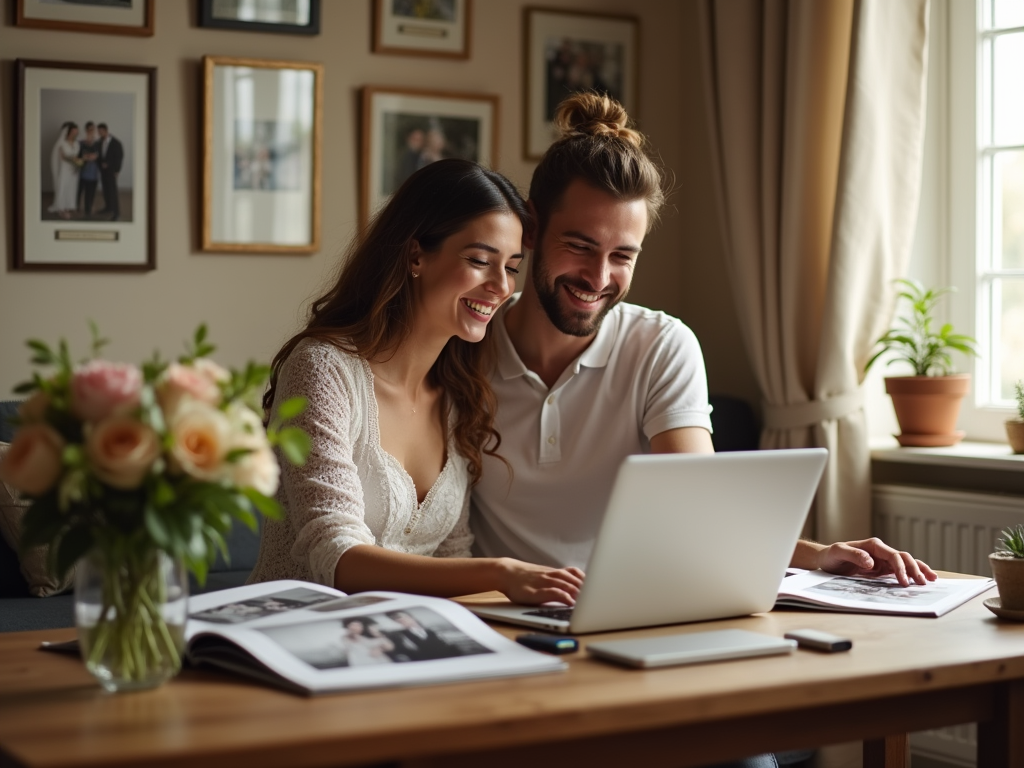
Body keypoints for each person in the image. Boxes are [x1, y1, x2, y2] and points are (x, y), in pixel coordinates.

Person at [470, 92, 936, 768]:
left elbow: (699, 513)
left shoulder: (660, 345)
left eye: (623, 255)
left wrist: (816, 552)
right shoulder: (465, 349)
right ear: (531, 229)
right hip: (517, 637)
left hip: (648, 628)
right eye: (580, 247)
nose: (599, 279)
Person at [247, 158, 584, 606]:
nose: (501, 286)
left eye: (512, 267)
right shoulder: (323, 371)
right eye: (481, 261)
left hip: (406, 642)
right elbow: (337, 556)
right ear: (415, 256)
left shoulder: (460, 395)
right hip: (289, 638)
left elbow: (452, 555)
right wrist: (502, 572)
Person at [384, 610, 454, 662]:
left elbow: (449, 645)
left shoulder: (432, 630)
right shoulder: (400, 637)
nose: (398, 620)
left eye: (400, 617)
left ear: (411, 617)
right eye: (395, 619)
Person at [47, 121, 80, 220]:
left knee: (71, 187)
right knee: (62, 187)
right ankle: (61, 208)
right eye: (73, 132)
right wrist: (71, 159)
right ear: (68, 132)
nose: (75, 134)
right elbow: (61, 157)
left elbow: (76, 156)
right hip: (63, 169)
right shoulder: (61, 143)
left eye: (76, 132)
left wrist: (77, 164)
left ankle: (69, 205)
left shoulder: (76, 143)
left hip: (73, 170)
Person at [96, 123, 124, 221]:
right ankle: (108, 208)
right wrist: (101, 164)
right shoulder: (99, 141)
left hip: (112, 171)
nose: (99, 133)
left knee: (113, 192)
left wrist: (117, 170)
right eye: (98, 132)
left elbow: (119, 157)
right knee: (106, 191)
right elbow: (100, 155)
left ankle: (116, 214)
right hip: (103, 171)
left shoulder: (116, 143)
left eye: (101, 131)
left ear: (106, 130)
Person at [77, 122, 100, 218]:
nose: (91, 131)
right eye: (89, 129)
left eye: (93, 129)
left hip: (94, 171)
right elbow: (78, 156)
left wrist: (95, 157)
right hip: (83, 170)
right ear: (86, 130)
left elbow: (101, 155)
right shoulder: (81, 143)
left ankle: (88, 208)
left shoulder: (98, 143)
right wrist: (85, 157)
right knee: (79, 190)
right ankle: (76, 206)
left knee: (91, 191)